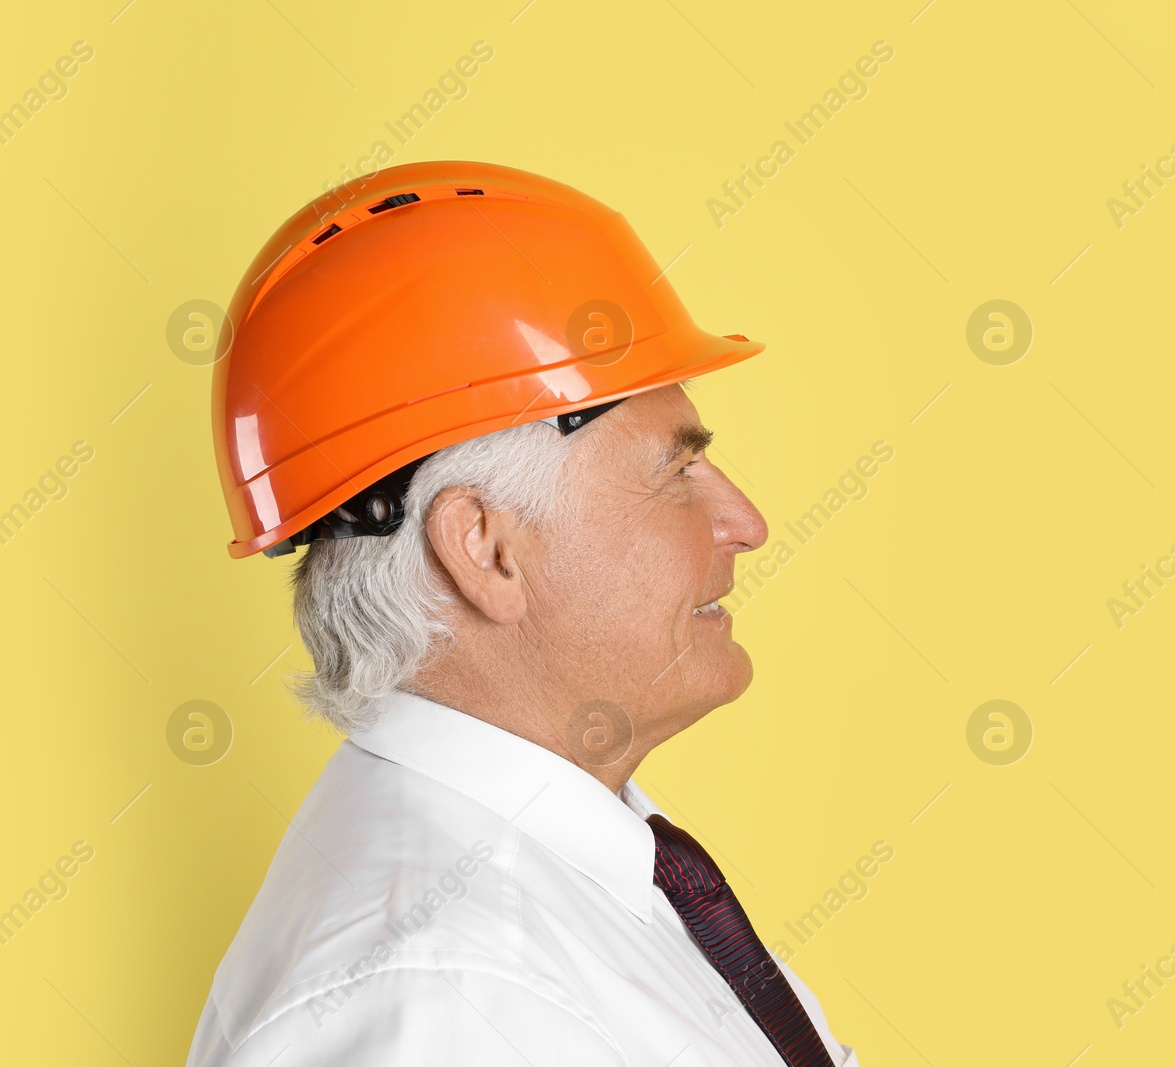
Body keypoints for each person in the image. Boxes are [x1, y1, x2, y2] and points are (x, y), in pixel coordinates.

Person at [187, 161, 858, 1066]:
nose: (747, 524)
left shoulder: (569, 891)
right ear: (488, 548)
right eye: (676, 471)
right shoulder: (442, 997)